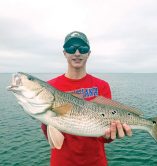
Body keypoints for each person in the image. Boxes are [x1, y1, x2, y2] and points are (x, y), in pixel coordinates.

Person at [41, 31, 132, 166]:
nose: (77, 53)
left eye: (83, 49)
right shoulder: (50, 86)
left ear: (88, 54)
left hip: (96, 162)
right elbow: (48, 131)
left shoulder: (102, 86)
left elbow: (105, 137)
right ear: (64, 53)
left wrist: (112, 135)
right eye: (71, 48)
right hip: (61, 162)